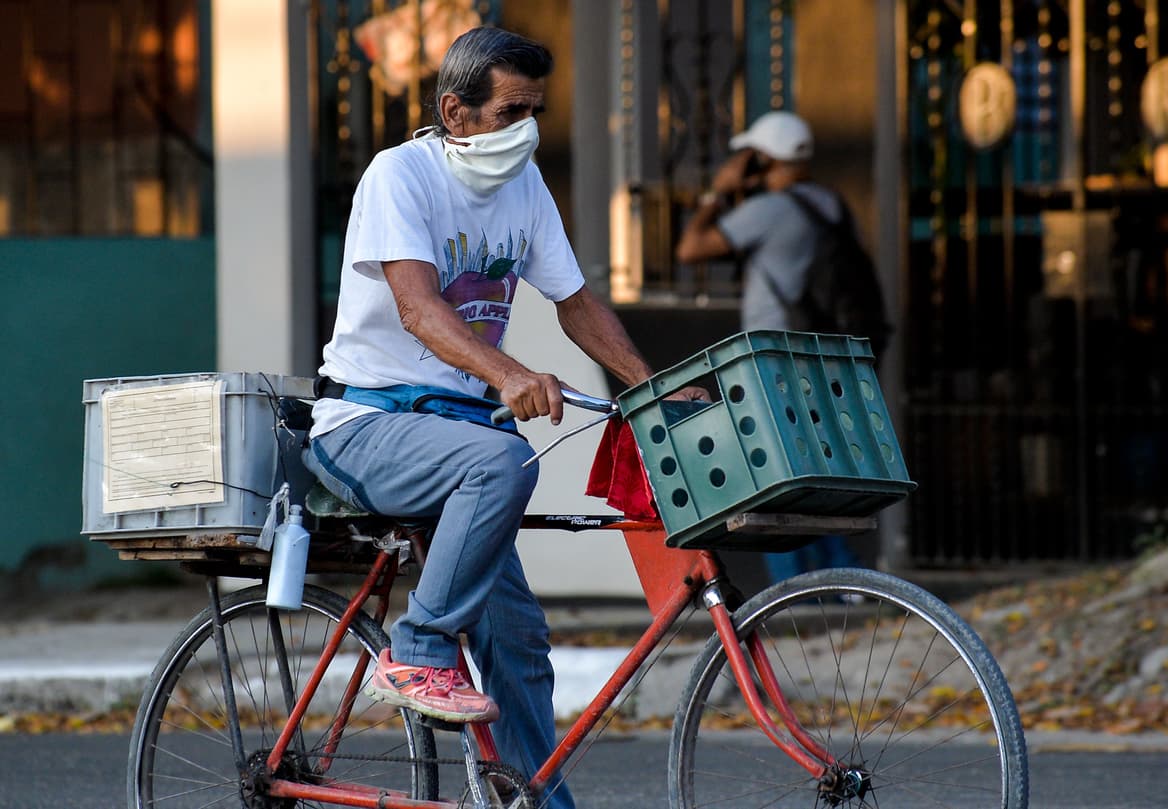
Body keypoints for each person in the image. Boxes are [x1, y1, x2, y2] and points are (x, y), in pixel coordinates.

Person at [302, 26, 705, 809]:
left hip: (454, 433)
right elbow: (418, 310)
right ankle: (417, 648)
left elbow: (577, 305)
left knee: (518, 642)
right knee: (505, 458)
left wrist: (648, 387)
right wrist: (510, 372)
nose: (527, 129)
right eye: (511, 111)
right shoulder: (400, 176)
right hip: (364, 425)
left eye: (536, 112)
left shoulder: (524, 188)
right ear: (455, 111)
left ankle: (536, 805)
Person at [674, 110, 863, 583]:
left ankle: (789, 586)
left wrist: (718, 192)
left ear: (762, 159)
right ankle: (845, 581)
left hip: (770, 360)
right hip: (819, 357)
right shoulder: (829, 203)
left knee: (775, 477)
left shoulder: (770, 211)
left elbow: (690, 249)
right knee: (820, 470)